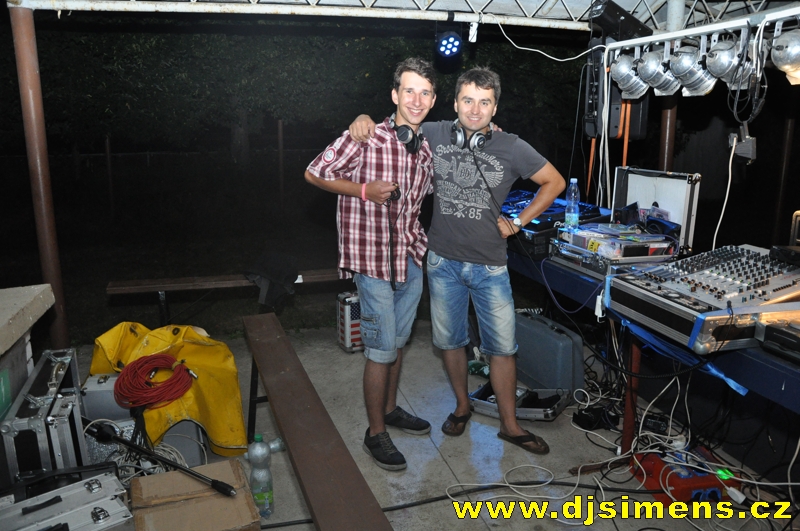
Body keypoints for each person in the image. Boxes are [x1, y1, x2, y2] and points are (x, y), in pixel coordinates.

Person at [348, 67, 566, 455]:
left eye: (484, 102)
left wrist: (518, 222)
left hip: (490, 266)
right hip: (441, 262)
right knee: (451, 342)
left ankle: (510, 425)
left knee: (503, 347)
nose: (475, 110)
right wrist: (362, 119)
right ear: (453, 104)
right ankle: (463, 406)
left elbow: (555, 182)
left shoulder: (513, 146)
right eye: (468, 100)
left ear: (495, 107)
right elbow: (395, 124)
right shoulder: (433, 133)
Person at [304, 58, 437, 471]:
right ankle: (375, 432)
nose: (416, 100)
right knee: (380, 351)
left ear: (433, 100)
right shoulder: (365, 135)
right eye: (409, 91)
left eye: (425, 93)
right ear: (395, 95)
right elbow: (314, 173)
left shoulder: (424, 149)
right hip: (372, 262)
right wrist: (363, 190)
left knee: (397, 343)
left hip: (410, 259)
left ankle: (391, 409)